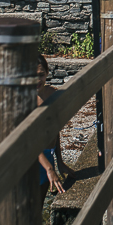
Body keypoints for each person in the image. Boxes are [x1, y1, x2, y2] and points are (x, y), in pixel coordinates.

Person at [37, 54, 75, 200]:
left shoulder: (52, 94)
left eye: (41, 75)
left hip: (49, 154)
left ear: (47, 72)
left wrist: (59, 162)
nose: (37, 80)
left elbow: (54, 129)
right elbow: (28, 141)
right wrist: (49, 168)